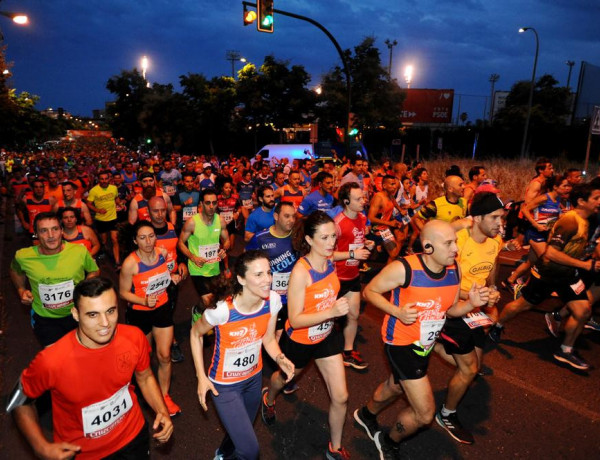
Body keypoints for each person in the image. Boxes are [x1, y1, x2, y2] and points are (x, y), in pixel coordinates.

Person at [355, 220, 489, 458]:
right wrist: (397, 312)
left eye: (455, 242)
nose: (455, 249)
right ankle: (388, 441)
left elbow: (450, 309)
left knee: (395, 386)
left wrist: (471, 304)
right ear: (428, 247)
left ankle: (365, 415)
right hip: (400, 342)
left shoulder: (453, 269)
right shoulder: (405, 268)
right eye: (448, 243)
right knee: (424, 414)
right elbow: (370, 291)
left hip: (424, 343)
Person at [7, 277, 173, 459]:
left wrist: (161, 410)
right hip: (84, 453)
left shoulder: (134, 337)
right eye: (92, 315)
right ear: (76, 314)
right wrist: (41, 447)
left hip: (133, 438)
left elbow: (145, 376)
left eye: (110, 311)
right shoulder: (52, 360)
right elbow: (18, 401)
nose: (105, 323)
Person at [261, 211, 351, 460]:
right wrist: (331, 310)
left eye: (334, 235)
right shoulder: (301, 271)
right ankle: (269, 398)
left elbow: (339, 257)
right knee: (284, 379)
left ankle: (335, 448)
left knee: (341, 396)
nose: (332, 242)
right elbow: (296, 318)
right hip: (300, 338)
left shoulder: (330, 259)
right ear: (309, 240)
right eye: (325, 237)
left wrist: (354, 254)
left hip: (326, 336)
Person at [190, 251, 295, 460]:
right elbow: (195, 334)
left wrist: (280, 358)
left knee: (240, 429)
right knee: (250, 451)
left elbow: (268, 339)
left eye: (268, 272)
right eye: (258, 275)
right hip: (224, 385)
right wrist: (201, 377)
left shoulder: (272, 301)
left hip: (253, 380)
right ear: (241, 279)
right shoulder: (222, 310)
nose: (268, 280)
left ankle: (222, 454)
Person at [489, 183, 600, 370]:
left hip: (568, 275)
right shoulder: (570, 221)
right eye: (596, 198)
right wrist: (584, 264)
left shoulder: (590, 219)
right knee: (522, 305)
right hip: (548, 274)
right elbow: (551, 254)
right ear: (581, 202)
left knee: (583, 310)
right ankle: (497, 325)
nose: (599, 202)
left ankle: (565, 350)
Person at [434, 192, 513, 444]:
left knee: (474, 365)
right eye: (494, 218)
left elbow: (491, 268)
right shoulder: (456, 240)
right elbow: (444, 283)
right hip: (452, 308)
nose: (499, 224)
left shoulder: (494, 241)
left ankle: (430, 344)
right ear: (476, 218)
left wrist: (492, 291)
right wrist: (476, 296)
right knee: (468, 369)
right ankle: (446, 414)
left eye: (501, 218)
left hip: (474, 309)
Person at [119, 221, 183, 416]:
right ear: (135, 240)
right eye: (142, 237)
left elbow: (167, 273)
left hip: (162, 308)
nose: (148, 241)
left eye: (151, 236)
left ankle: (163, 396)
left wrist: (173, 277)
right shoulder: (130, 264)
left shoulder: (162, 253)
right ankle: (146, 393)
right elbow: (122, 293)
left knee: (164, 355)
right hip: (140, 313)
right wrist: (143, 300)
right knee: (144, 359)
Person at [10, 212, 100, 347]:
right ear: (36, 234)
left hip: (77, 314)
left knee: (81, 353)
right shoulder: (23, 256)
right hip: (45, 320)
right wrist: (21, 289)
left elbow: (94, 270)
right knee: (55, 359)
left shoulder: (79, 252)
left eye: (55, 229)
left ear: (62, 231)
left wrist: (85, 286)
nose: (51, 236)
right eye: (44, 231)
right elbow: (14, 271)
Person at [334, 182, 375, 369]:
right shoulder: (337, 224)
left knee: (353, 314)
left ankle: (348, 352)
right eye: (358, 199)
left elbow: (356, 241)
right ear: (346, 201)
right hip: (335, 279)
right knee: (327, 320)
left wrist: (366, 243)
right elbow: (326, 254)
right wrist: (353, 254)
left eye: (363, 197)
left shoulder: (362, 218)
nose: (363, 201)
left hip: (352, 276)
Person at [148, 196, 189, 363]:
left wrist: (182, 263)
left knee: (169, 309)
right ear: (148, 212)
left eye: (162, 210)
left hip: (173, 279)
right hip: (153, 280)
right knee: (158, 310)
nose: (159, 214)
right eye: (155, 211)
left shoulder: (172, 227)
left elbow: (179, 247)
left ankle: (166, 337)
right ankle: (170, 342)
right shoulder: (144, 231)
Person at [178, 188, 230, 311]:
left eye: (214, 203)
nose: (211, 206)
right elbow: (180, 243)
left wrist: (224, 249)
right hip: (198, 269)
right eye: (207, 203)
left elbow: (226, 241)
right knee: (209, 302)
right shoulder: (192, 223)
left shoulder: (220, 220)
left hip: (214, 268)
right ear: (201, 204)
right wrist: (193, 257)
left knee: (215, 299)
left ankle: (197, 312)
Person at [86, 170, 122, 266]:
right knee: (104, 241)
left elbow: (116, 198)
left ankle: (117, 262)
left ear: (109, 179)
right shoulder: (94, 191)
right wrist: (98, 210)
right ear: (99, 179)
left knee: (115, 239)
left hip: (113, 218)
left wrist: (120, 204)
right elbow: (88, 204)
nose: (104, 181)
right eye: (102, 179)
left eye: (106, 179)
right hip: (101, 219)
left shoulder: (114, 188)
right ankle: (104, 251)